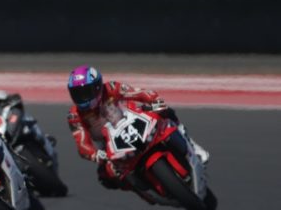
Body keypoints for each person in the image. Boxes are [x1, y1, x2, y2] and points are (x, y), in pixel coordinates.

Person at [66, 65, 209, 194]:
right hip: (108, 144)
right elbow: (82, 144)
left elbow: (139, 93)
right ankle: (147, 191)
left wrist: (153, 102)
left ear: (98, 86)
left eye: (86, 92)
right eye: (77, 93)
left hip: (131, 120)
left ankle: (192, 145)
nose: (83, 97)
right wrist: (96, 155)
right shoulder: (75, 115)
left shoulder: (111, 88)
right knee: (106, 176)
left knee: (164, 110)